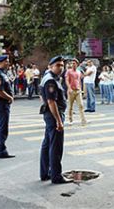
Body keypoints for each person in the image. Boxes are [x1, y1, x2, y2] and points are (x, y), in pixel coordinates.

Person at [39, 56, 73, 184]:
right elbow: (51, 101)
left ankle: (45, 173)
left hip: (50, 115)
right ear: (50, 66)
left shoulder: (49, 78)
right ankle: (56, 176)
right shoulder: (50, 81)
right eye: (58, 65)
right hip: (54, 115)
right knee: (55, 146)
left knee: (47, 144)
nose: (61, 67)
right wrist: (59, 121)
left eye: (62, 65)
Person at [0, 55, 15, 158]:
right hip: (2, 103)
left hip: (2, 103)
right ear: (1, 62)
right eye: (6, 61)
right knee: (2, 127)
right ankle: (2, 150)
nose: (8, 63)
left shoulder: (2, 73)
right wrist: (10, 97)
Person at [65, 58, 87, 125]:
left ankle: (83, 120)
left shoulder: (78, 72)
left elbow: (79, 81)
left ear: (77, 64)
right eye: (72, 63)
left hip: (78, 90)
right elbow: (67, 80)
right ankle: (70, 119)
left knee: (81, 105)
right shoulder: (68, 71)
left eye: (74, 63)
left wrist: (81, 89)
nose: (73, 64)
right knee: (70, 106)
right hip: (71, 91)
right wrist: (69, 88)